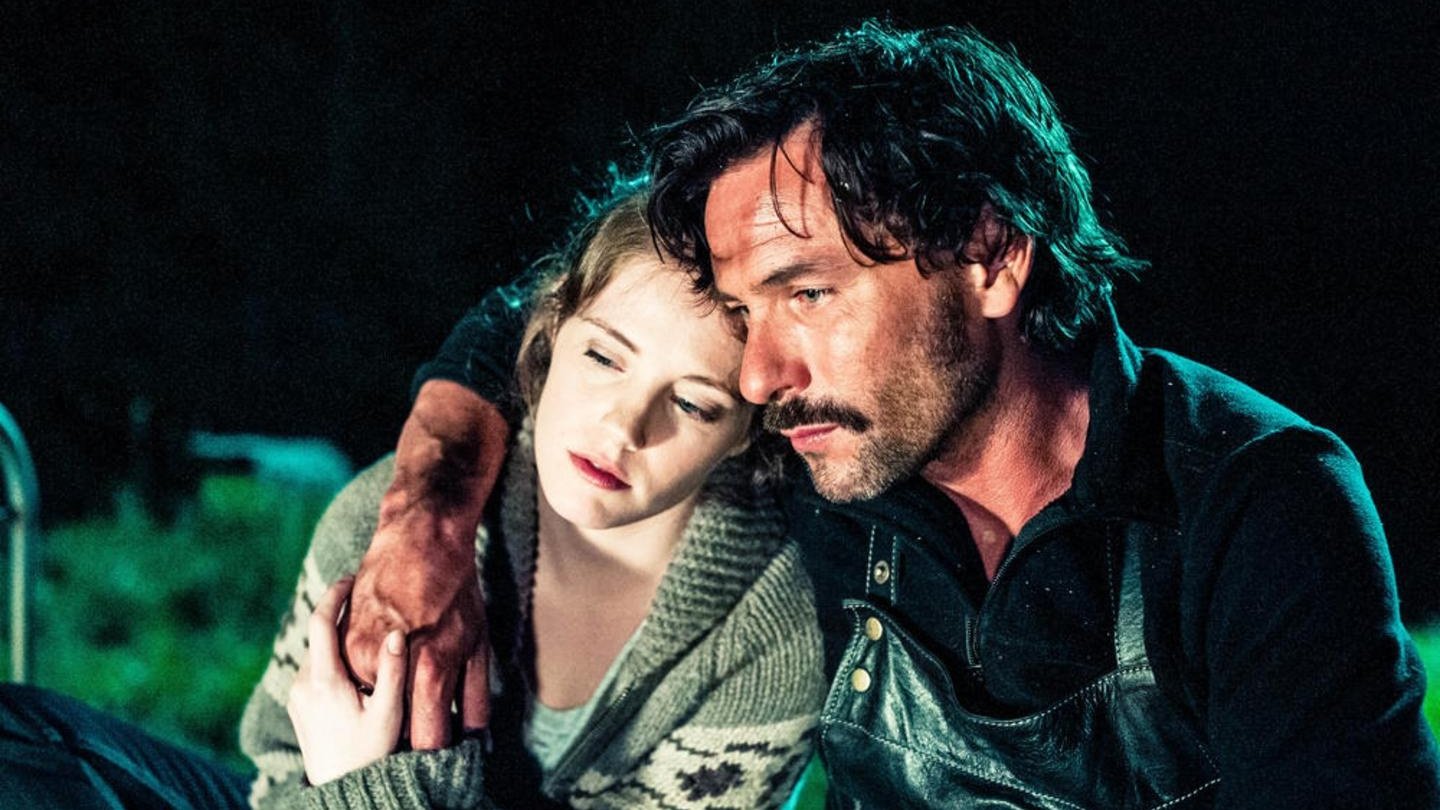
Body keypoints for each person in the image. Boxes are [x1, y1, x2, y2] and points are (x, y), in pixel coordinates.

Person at [341, 21, 1440, 809]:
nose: (757, 375)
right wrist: (424, 522)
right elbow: (528, 321)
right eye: (742, 312)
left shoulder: (1256, 507)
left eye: (807, 293)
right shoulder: (834, 460)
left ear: (992, 254)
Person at [241, 189, 823, 808]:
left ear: (747, 431)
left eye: (692, 403)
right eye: (603, 357)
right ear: (550, 327)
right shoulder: (384, 524)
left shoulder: (772, 639)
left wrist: (360, 785)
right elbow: (274, 781)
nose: (623, 428)